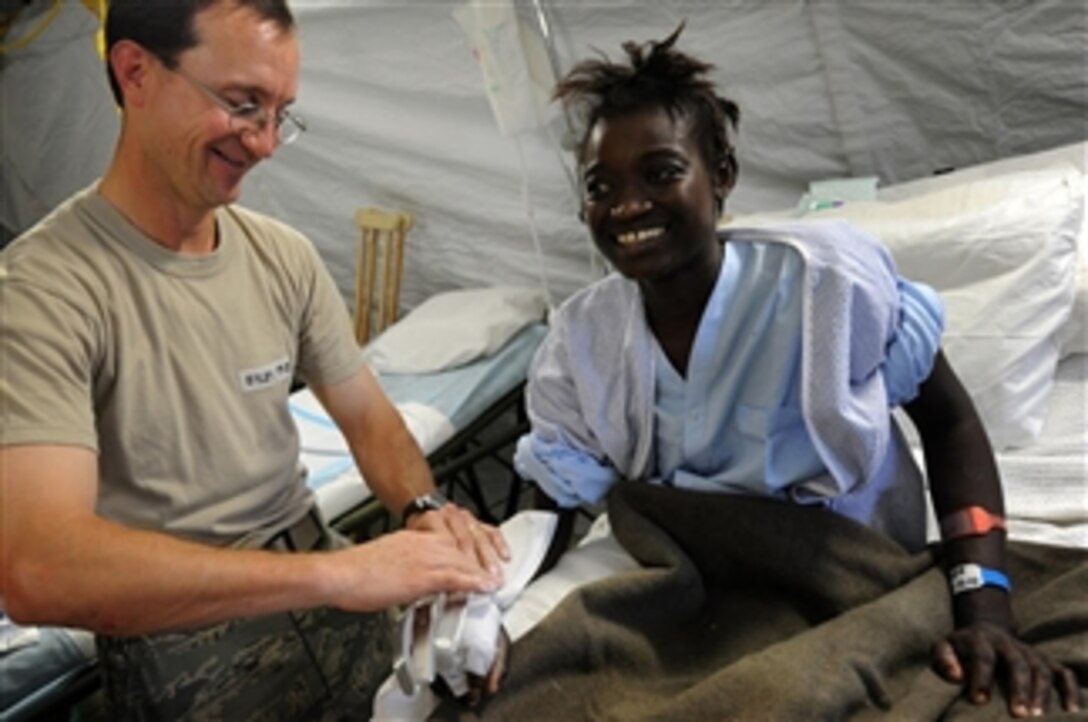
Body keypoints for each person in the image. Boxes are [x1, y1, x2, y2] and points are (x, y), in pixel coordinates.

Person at [505, 24, 1081, 718]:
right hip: (700, 573)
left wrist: (984, 603)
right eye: (602, 186)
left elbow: (950, 422)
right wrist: (491, 600)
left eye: (660, 172)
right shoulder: (580, 341)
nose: (627, 205)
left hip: (852, 560)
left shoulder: (827, 285)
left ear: (721, 177)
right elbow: (557, 492)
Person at [0, 1, 508, 718]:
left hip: (322, 586)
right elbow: (41, 568)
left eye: (280, 113)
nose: (265, 142)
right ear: (136, 72)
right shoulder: (45, 288)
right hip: (185, 644)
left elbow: (369, 420)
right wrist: (337, 574)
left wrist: (422, 510)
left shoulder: (280, 255)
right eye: (243, 105)